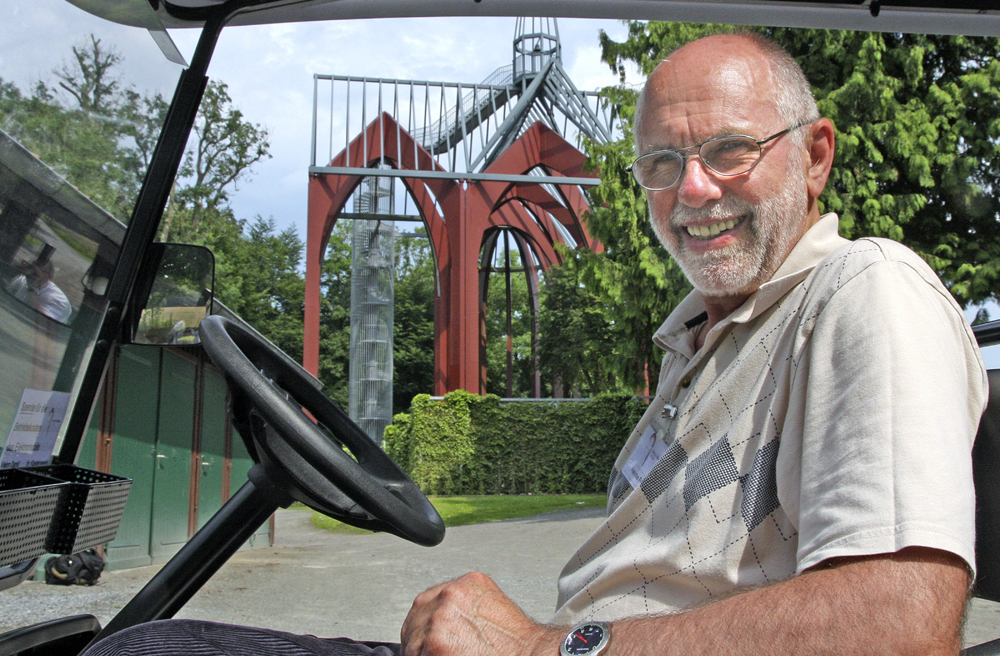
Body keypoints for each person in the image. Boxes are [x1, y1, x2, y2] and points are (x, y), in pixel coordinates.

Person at [82, 32, 987, 656]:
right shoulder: (706, 340)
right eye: (662, 165)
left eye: (729, 150)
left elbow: (897, 626)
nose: (693, 192)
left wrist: (544, 646)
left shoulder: (864, 289)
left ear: (816, 155)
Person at [6, 259, 72, 324]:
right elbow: (5, 299)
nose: (34, 273)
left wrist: (31, 289)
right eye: (33, 267)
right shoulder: (21, 280)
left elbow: (44, 322)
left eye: (40, 270)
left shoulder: (58, 299)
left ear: (50, 275)